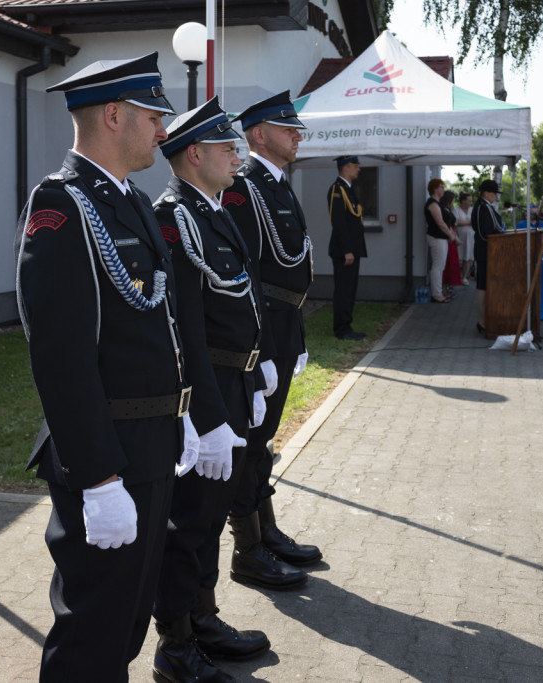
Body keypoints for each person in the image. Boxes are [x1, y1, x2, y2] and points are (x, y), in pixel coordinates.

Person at [15, 53, 197, 681]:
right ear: (115, 115)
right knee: (91, 635)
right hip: (110, 456)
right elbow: (60, 356)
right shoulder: (62, 207)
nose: (163, 132)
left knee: (124, 626)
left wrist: (186, 414)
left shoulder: (133, 203)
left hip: (150, 446)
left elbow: (159, 321)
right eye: (154, 117)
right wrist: (97, 478)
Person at [150, 98, 272, 683]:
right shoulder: (176, 217)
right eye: (227, 147)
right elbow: (186, 326)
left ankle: (204, 618)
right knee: (190, 521)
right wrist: (207, 412)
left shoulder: (214, 211)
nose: (238, 155)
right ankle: (175, 645)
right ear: (194, 154)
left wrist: (256, 368)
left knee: (213, 510)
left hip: (233, 379)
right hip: (206, 388)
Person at [222, 91, 321, 592]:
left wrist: (295, 334)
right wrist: (259, 345)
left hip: (285, 325)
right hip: (262, 330)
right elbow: (243, 272)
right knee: (252, 441)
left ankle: (267, 531)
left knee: (266, 441)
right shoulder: (244, 186)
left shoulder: (277, 184)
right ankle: (248, 550)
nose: (297, 136)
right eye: (288, 129)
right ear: (258, 134)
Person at [327, 155, 367, 340]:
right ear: (347, 167)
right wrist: (347, 250)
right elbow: (339, 222)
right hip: (345, 252)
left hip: (353, 249)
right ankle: (342, 329)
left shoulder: (349, 190)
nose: (359, 170)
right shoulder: (337, 190)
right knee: (343, 290)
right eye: (356, 166)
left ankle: (347, 326)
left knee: (350, 290)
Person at [472, 179, 505, 334]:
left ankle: (487, 319)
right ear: (486, 193)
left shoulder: (485, 207)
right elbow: (489, 231)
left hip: (489, 251)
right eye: (494, 193)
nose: (496, 196)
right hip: (485, 251)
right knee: (483, 286)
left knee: (485, 285)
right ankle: (483, 320)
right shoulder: (481, 207)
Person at [424, 178, 460, 303]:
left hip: (440, 238)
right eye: (441, 187)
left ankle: (438, 293)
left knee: (440, 266)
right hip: (437, 237)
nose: (443, 189)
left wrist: (451, 235)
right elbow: (440, 223)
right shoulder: (432, 203)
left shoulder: (437, 203)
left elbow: (445, 222)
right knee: (438, 266)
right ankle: (437, 294)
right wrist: (451, 235)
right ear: (435, 189)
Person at [440, 189, 463, 298]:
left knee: (450, 263)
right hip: (449, 239)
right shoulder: (444, 211)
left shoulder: (447, 210)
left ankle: (447, 288)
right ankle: (444, 290)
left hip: (451, 238)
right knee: (447, 264)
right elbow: (449, 226)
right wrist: (454, 238)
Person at [453, 191, 475, 281]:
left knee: (468, 257)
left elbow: (476, 222)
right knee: (457, 257)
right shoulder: (456, 209)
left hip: (471, 238)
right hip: (459, 237)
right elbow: (456, 222)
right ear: (463, 201)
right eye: (469, 201)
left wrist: (464, 223)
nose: (471, 202)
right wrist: (470, 222)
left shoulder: (472, 209)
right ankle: (455, 277)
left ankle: (464, 277)